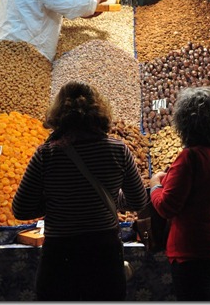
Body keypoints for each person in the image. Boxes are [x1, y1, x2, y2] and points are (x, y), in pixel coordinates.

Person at [12, 81, 148, 301]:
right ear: (99, 110)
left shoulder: (46, 155)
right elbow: (139, 200)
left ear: (58, 113)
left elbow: (21, 209)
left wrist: (57, 201)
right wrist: (111, 198)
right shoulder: (118, 149)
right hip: (104, 255)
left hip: (60, 257)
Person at [149, 87, 210, 301]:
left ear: (184, 122)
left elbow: (166, 207)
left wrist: (154, 185)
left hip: (195, 253)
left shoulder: (190, 157)